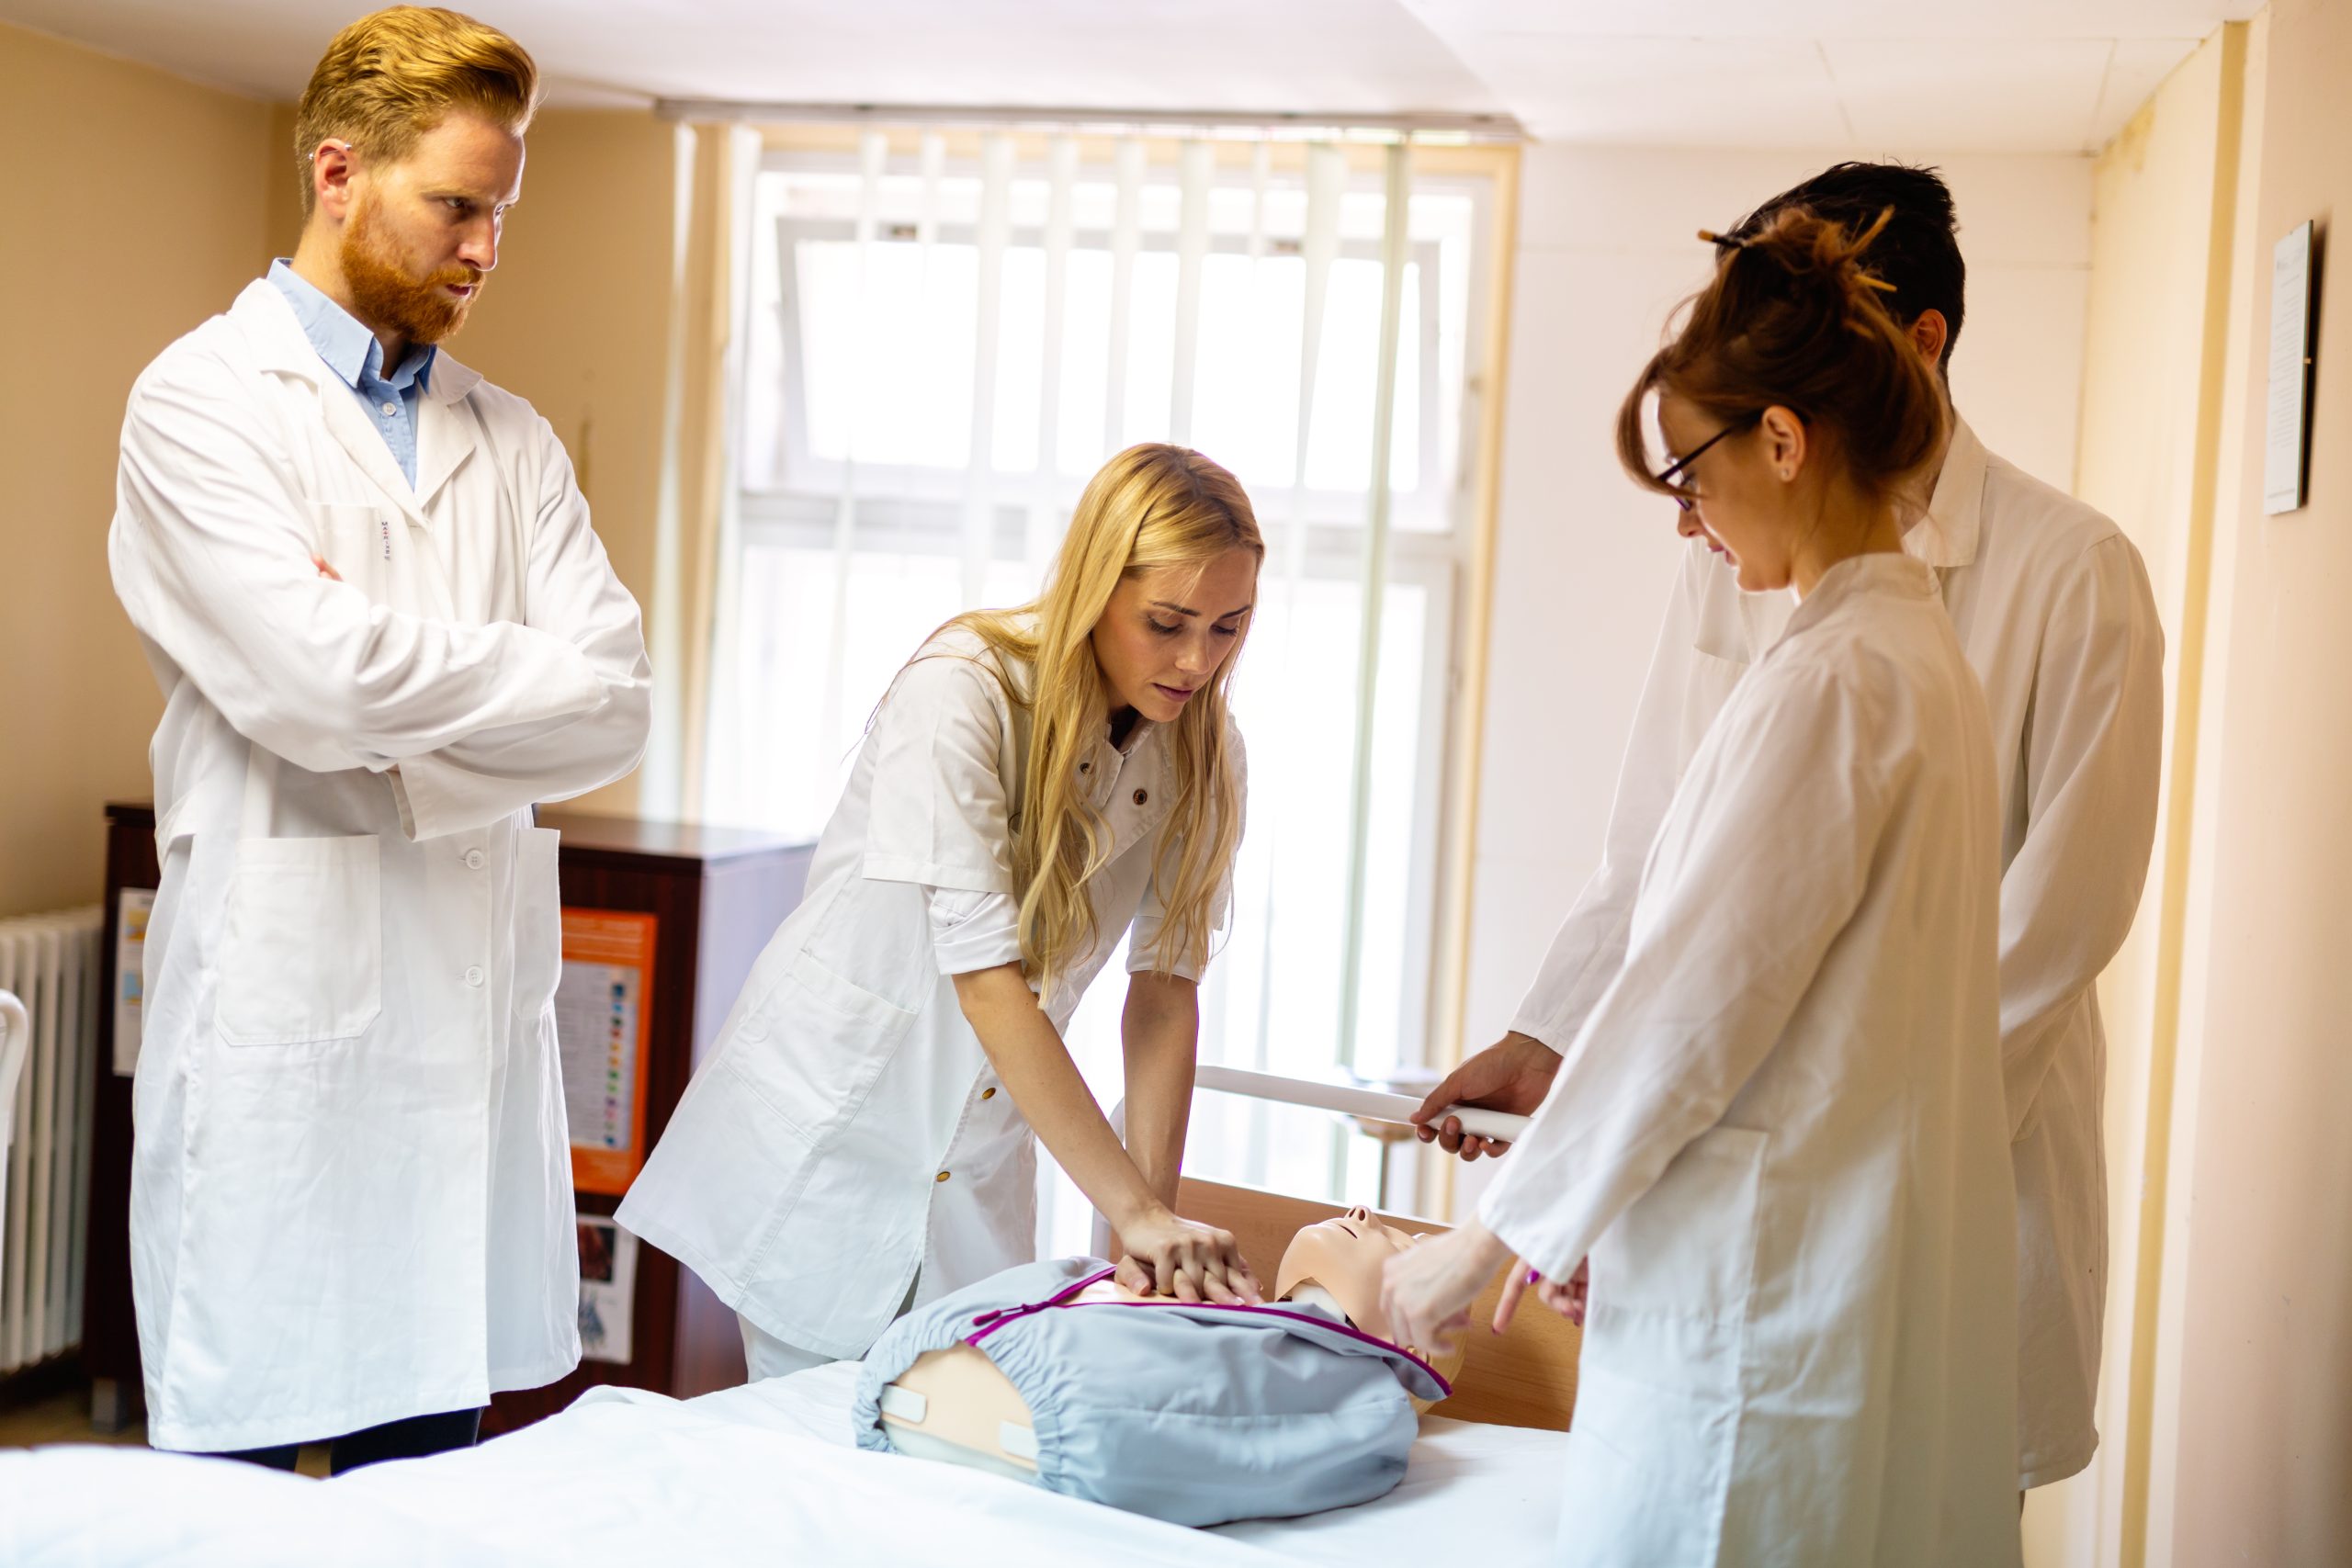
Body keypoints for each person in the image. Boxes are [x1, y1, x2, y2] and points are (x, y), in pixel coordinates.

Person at [1416, 161, 2163, 1496]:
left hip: (1898, 1171)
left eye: (1696, 467)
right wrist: (1556, 1046)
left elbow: (2049, 931)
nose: (1686, 514)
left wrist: (1843, 1164)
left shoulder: (2033, 584)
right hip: (1789, 1169)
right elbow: (1664, 844)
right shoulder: (1819, 589)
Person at [108, 6, 650, 1468]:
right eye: (455, 206)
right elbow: (313, 681)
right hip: (288, 1033)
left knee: (439, 1489)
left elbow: (613, 700)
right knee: (235, 1511)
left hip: (462, 1060)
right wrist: (482, 686)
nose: (484, 248)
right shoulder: (200, 405)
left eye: (500, 212)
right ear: (339, 173)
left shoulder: (513, 436)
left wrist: (375, 692)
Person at [620, 444, 1261, 1382]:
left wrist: (1148, 1232)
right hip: (833, 1135)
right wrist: (1133, 1210)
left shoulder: (1206, 756)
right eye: (1166, 623)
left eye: (1228, 627)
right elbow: (988, 983)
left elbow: (1164, 991)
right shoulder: (962, 690)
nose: (1197, 660)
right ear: (1094, 588)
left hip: (981, 1161)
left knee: (953, 1464)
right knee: (821, 1467)